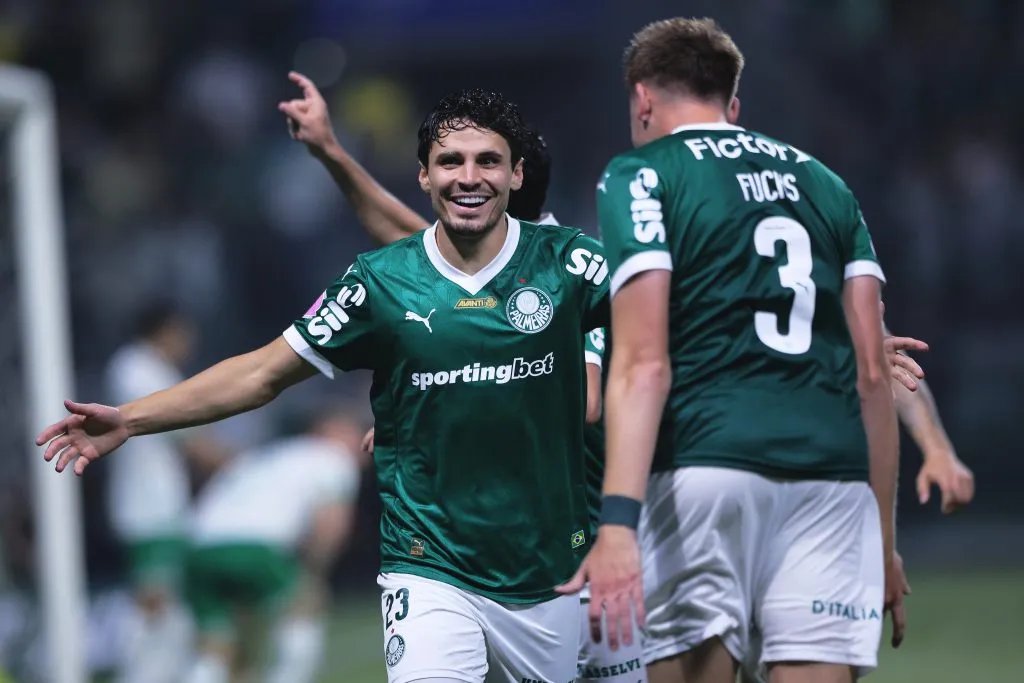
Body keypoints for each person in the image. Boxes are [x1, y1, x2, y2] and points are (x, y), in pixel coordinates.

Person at [278, 72, 948, 683]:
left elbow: (591, 400)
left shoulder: (579, 283)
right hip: (612, 533)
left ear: (514, 188)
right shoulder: (546, 271)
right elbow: (408, 242)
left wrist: (451, 396)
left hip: (630, 532)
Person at [38, 88, 607, 683]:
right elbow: (263, 372)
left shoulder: (570, 265)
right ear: (422, 175)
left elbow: (651, 352)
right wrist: (131, 418)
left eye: (487, 161)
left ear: (516, 174)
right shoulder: (378, 282)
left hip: (550, 570)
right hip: (430, 564)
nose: (468, 177)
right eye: (449, 161)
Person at [563, 17, 911, 683]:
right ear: (734, 104)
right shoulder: (827, 184)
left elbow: (642, 362)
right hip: (831, 483)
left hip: (705, 467)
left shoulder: (640, 174)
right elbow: (872, 374)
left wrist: (616, 524)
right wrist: (884, 545)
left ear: (641, 99)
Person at [183, 409, 368, 683]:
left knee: (215, 645)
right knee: (306, 606)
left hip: (198, 547)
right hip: (257, 546)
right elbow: (330, 523)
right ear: (327, 431)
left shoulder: (270, 453)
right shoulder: (332, 457)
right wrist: (313, 573)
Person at [103, 301, 227, 683]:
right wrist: (233, 462)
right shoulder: (135, 367)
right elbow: (180, 430)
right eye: (183, 332)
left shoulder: (154, 369)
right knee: (153, 601)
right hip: (145, 503)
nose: (188, 342)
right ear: (167, 330)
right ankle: (131, 672)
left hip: (164, 502)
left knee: (169, 603)